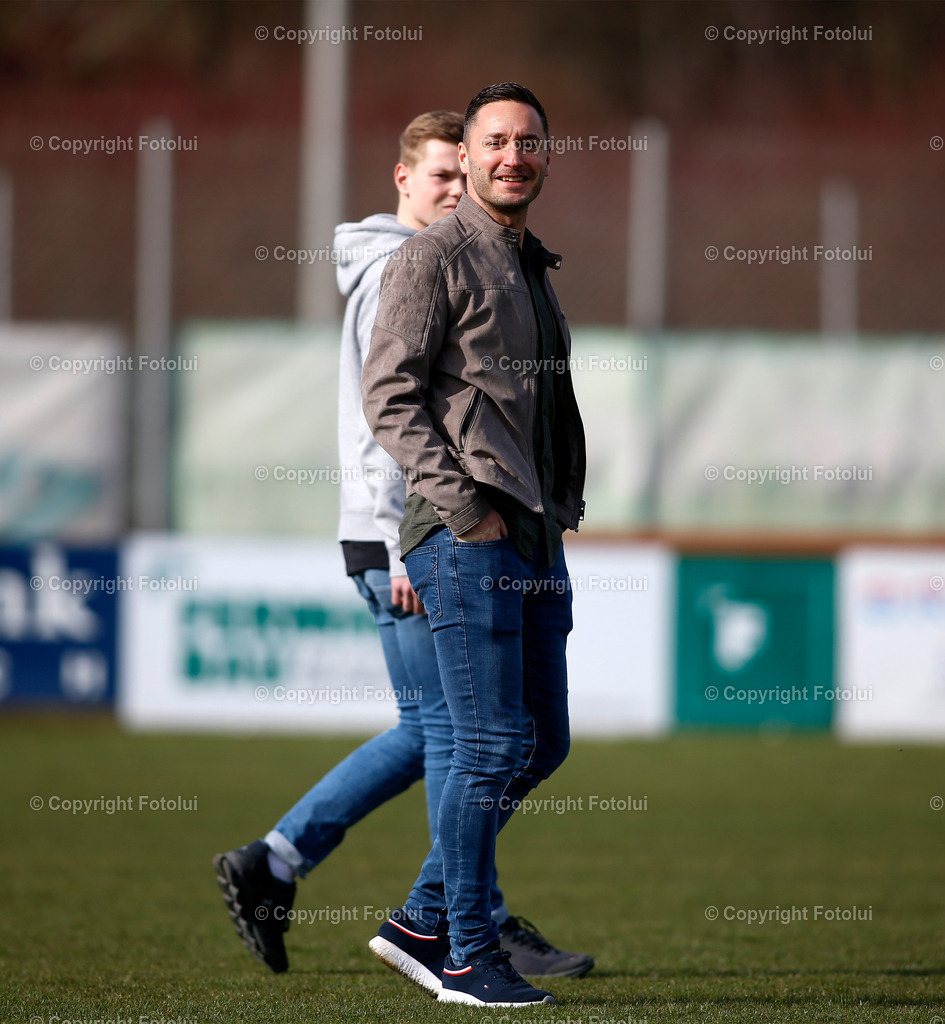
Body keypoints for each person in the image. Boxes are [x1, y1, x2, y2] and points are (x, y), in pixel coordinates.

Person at [213, 109, 593, 984]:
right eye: (445, 178)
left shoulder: (480, 260)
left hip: (422, 529)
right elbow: (380, 416)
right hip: (416, 533)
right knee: (467, 736)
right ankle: (448, 917)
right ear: (407, 179)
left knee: (453, 732)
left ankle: (312, 872)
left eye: (465, 180)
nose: (461, 191)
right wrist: (403, 546)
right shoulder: (408, 266)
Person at [361, 84, 587, 1008]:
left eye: (528, 143)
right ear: (472, 151)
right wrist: (460, 509)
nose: (511, 157)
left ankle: (422, 915)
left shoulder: (527, 260)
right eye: (495, 142)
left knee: (540, 743)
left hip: (532, 535)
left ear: (545, 156)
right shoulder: (434, 254)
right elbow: (389, 394)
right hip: (469, 536)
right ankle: (463, 955)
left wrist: (555, 507)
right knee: (489, 743)